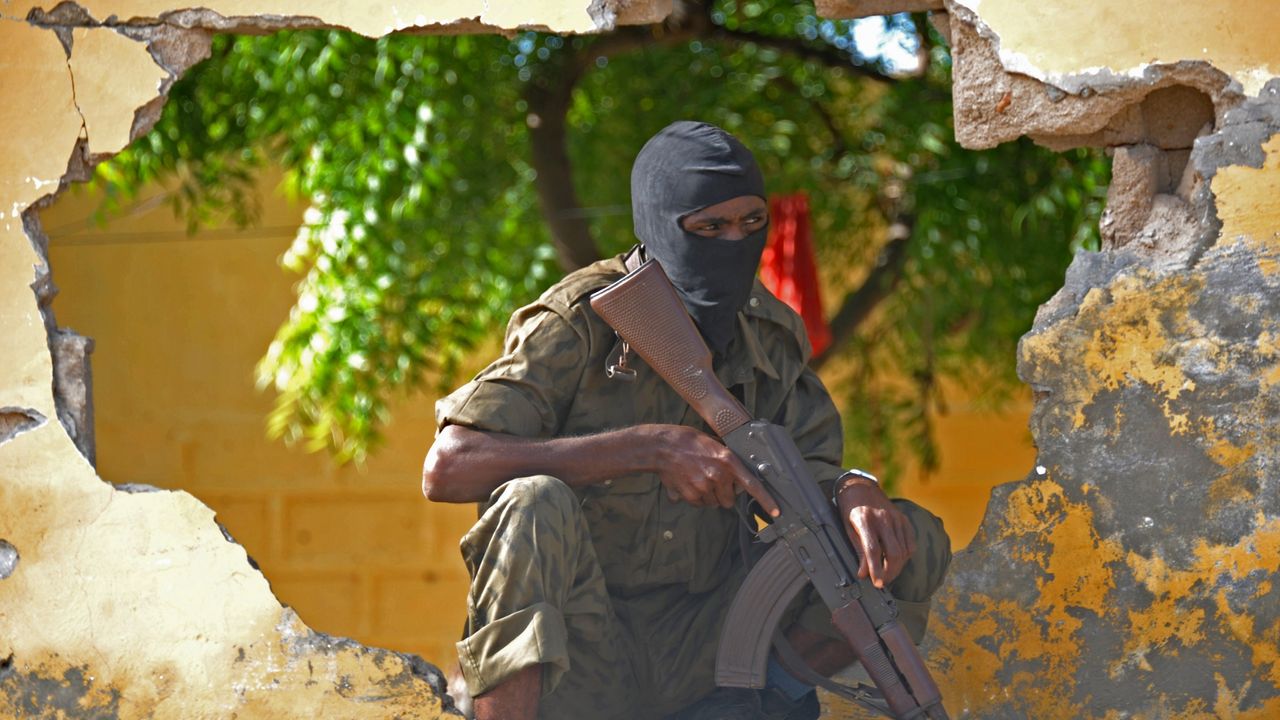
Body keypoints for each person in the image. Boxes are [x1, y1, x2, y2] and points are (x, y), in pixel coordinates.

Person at [422, 121, 951, 720]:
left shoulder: (767, 331)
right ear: (659, 225)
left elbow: (812, 470)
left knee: (906, 532)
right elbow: (449, 466)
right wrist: (647, 448)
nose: (735, 241)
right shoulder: (582, 319)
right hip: (581, 644)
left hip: (710, 642)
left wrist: (854, 486)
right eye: (710, 227)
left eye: (753, 223)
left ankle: (760, 698)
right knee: (530, 501)